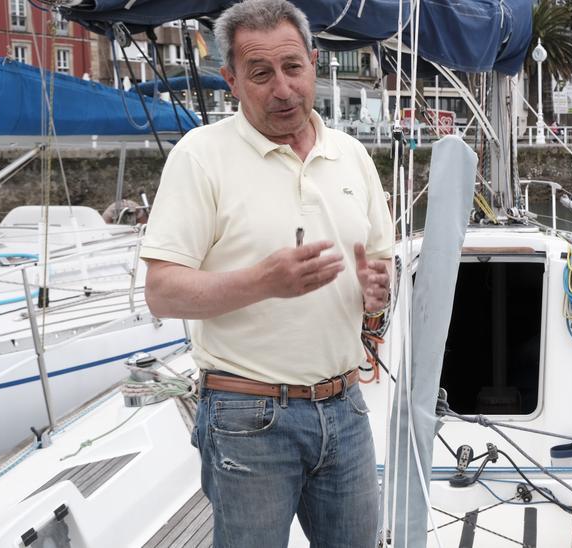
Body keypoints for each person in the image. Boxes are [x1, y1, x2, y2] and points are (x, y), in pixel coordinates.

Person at [139, 0, 392, 546]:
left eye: (292, 67)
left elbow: (379, 264)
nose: (283, 88)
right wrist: (263, 281)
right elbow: (161, 292)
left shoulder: (352, 156)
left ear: (314, 63)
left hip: (346, 410)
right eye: (261, 73)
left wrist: (377, 292)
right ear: (231, 80)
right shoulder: (200, 156)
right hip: (246, 416)